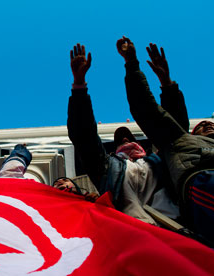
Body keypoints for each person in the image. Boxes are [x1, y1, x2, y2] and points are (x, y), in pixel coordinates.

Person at [117, 36, 214, 249]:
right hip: (209, 183)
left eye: (212, 125)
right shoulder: (181, 141)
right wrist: (132, 64)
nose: (207, 125)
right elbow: (147, 109)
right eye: (201, 126)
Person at [67, 43, 168, 224]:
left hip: (181, 231)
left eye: (129, 137)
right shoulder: (107, 169)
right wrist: (79, 84)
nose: (124, 138)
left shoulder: (162, 161)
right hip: (133, 234)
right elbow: (84, 137)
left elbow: (169, 126)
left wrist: (166, 84)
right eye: (120, 139)